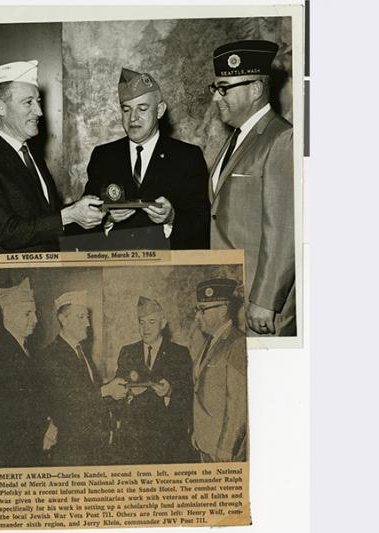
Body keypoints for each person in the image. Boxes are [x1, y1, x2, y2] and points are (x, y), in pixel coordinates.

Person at [0, 60, 105, 252]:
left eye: (38, 102)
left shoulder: (30, 153)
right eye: (28, 102)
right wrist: (69, 215)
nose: (39, 111)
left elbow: (45, 218)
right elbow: (8, 232)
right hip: (12, 280)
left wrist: (93, 211)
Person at [208, 40, 296, 336]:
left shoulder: (281, 139)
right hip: (234, 297)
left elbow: (284, 229)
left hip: (259, 307)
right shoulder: (238, 138)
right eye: (215, 89)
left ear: (255, 89)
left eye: (224, 88)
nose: (216, 98)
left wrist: (265, 301)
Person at [79, 67, 209, 251]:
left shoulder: (187, 157)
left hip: (169, 268)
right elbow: (83, 221)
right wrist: (106, 218)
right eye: (126, 110)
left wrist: (172, 217)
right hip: (115, 269)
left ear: (160, 110)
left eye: (142, 108)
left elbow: (203, 222)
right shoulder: (104, 156)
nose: (133, 118)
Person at [40, 291, 127, 466]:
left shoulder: (80, 351)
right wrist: (106, 390)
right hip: (72, 450)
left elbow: (88, 392)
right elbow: (67, 402)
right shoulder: (52, 355)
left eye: (86, 317)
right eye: (80, 317)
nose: (87, 323)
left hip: (91, 447)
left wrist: (114, 389)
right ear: (62, 319)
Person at [112, 297, 194, 465]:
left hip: (167, 442)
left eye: (151, 322)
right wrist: (128, 394)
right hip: (133, 442)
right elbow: (116, 393)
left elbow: (189, 395)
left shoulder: (179, 353)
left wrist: (169, 393)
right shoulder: (127, 352)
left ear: (163, 323)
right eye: (141, 323)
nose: (145, 328)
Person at [0, 278, 56, 467]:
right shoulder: (0, 353)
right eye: (28, 314)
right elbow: (13, 409)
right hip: (18, 450)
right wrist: (44, 429)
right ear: (8, 314)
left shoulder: (25, 348)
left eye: (34, 313)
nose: (35, 320)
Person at [191, 279, 248, 463]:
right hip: (205, 443)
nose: (198, 317)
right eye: (197, 310)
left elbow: (238, 403)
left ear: (222, 310)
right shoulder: (210, 341)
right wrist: (198, 433)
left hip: (222, 451)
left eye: (203, 310)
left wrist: (226, 447)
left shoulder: (237, 343)